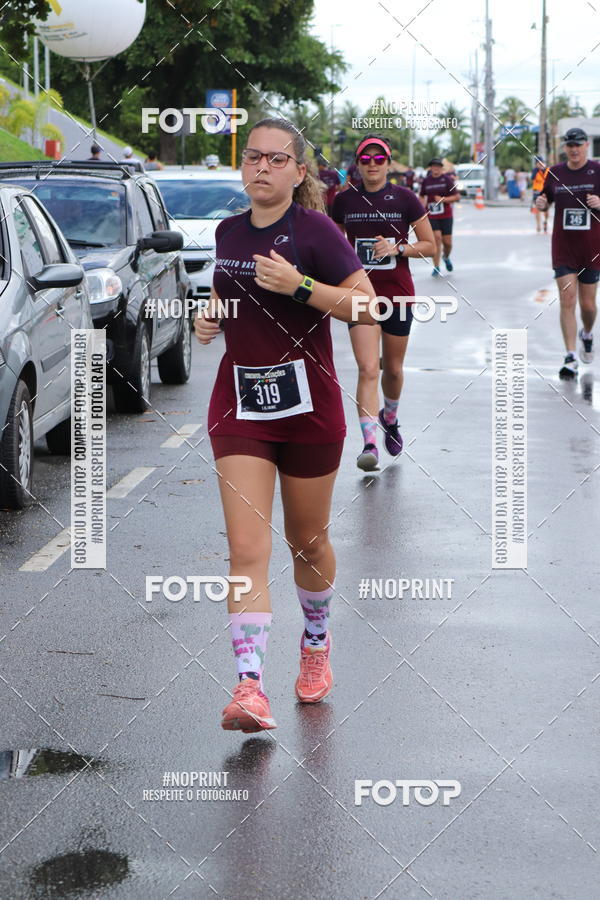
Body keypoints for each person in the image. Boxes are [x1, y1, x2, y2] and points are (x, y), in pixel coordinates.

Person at [194, 117, 376, 732]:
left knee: (307, 542)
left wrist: (300, 285)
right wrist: (211, 317)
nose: (262, 168)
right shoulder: (227, 231)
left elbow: (366, 305)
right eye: (252, 158)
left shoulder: (316, 231)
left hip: (309, 409)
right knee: (246, 550)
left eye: (277, 159)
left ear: (300, 173)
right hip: (241, 405)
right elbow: (228, 292)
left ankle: (317, 641)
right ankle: (249, 687)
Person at [332, 134, 435, 471]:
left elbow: (431, 245)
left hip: (397, 295)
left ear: (389, 164)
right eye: (366, 159)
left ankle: (389, 416)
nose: (372, 165)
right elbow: (330, 244)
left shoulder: (405, 199)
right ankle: (370, 444)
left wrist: (398, 249)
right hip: (360, 296)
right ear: (358, 164)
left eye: (379, 159)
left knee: (391, 368)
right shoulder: (345, 201)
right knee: (367, 368)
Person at [536, 127, 600, 379]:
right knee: (568, 300)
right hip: (563, 248)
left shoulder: (597, 171)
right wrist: (541, 203)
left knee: (587, 305)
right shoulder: (555, 173)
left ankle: (587, 333)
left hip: (592, 249)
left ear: (586, 145)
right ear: (565, 147)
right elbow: (545, 199)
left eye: (578, 144)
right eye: (569, 145)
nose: (574, 149)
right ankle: (570, 356)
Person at [419, 157, 460, 276]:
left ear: (441, 168)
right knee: (436, 239)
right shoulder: (426, 181)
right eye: (433, 166)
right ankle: (436, 266)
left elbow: (457, 197)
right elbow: (421, 195)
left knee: (447, 243)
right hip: (432, 215)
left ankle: (446, 257)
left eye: (437, 166)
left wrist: (443, 199)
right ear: (430, 168)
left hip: (446, 214)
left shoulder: (447, 180)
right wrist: (422, 205)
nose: (435, 169)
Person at [531, 157, 549, 232]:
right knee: (537, 209)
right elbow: (532, 178)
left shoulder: (547, 170)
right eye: (538, 163)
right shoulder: (535, 171)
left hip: (546, 191)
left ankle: (545, 221)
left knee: (546, 209)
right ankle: (538, 225)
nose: (540, 164)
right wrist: (537, 170)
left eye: (542, 162)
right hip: (537, 191)